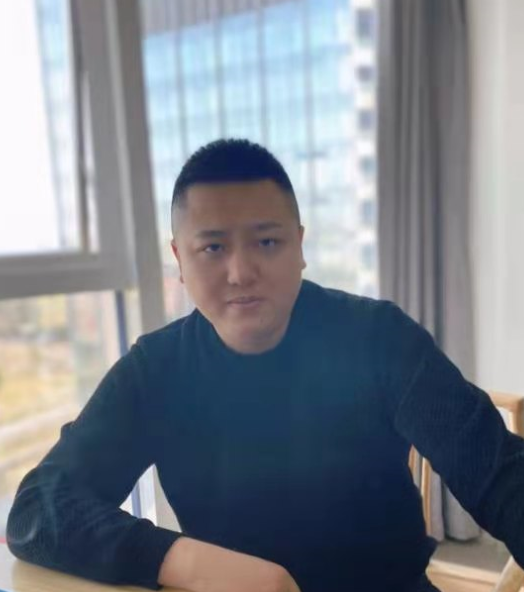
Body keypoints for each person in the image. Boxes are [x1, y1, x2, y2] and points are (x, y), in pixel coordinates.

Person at [6, 139, 524, 592]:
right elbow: (38, 511)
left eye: (267, 242)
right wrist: (195, 563)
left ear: (300, 245)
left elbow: (500, 475)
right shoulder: (156, 369)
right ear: (180, 260)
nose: (240, 272)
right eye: (213, 247)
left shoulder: (378, 337)